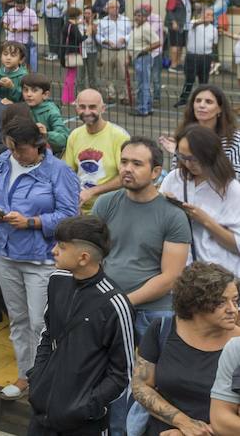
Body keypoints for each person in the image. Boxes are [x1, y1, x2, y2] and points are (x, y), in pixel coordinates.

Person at [0, 106, 82, 400]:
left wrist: (32, 222)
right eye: (10, 148)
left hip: (40, 258)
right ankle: (26, 376)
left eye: (20, 150)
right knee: (19, 320)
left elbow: (68, 214)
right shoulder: (3, 162)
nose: (15, 155)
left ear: (39, 146)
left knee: (41, 322)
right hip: (3, 252)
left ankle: (49, 378)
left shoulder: (58, 172)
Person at [95, 138, 194, 434]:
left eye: (137, 164)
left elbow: (170, 277)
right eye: (124, 162)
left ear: (156, 172)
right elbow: (93, 257)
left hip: (154, 315)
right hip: (109, 308)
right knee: (110, 378)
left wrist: (123, 302)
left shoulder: (173, 215)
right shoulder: (105, 203)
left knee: (149, 385)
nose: (127, 169)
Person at [27, 215, 134, 436]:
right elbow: (47, 335)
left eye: (62, 247)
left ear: (83, 257)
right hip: (42, 416)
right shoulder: (57, 281)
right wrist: (38, 379)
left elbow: (123, 372)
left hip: (83, 425)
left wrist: (87, 406)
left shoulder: (115, 304)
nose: (54, 250)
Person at [129, 263, 236, 436]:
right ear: (195, 304)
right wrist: (183, 423)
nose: (232, 309)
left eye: (236, 300)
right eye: (221, 302)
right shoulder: (161, 329)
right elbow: (141, 385)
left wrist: (197, 432)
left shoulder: (237, 345)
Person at [162, 124, 240, 275]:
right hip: (182, 273)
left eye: (193, 159)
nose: (187, 164)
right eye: (182, 157)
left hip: (220, 277)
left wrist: (205, 221)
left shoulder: (231, 189)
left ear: (210, 155)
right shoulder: (174, 178)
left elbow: (237, 245)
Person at [66, 88, 130, 211]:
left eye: (92, 107)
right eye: (82, 107)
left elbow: (125, 176)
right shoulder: (74, 135)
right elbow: (69, 173)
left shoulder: (119, 136)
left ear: (103, 108)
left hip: (111, 208)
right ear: (76, 108)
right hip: (79, 207)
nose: (87, 111)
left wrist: (92, 192)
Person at [176, 84, 240, 176]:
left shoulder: (234, 138)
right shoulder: (184, 135)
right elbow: (176, 171)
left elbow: (236, 176)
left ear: (220, 109)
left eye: (208, 102)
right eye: (198, 101)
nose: (201, 105)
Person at [179, 7, 220, 107]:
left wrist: (214, 60)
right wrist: (203, 20)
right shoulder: (194, 23)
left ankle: (202, 101)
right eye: (207, 14)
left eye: (211, 15)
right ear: (202, 15)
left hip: (206, 57)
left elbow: (214, 45)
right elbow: (190, 26)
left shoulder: (214, 29)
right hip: (192, 56)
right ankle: (183, 99)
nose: (210, 17)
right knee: (190, 79)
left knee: (204, 81)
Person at [21, 73, 69, 156]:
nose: (28, 94)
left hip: (47, 156)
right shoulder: (22, 107)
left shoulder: (51, 112)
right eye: (25, 90)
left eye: (34, 90)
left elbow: (63, 138)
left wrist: (46, 134)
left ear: (45, 95)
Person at [95, 0, 132, 105]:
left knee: (122, 73)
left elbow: (131, 33)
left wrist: (125, 38)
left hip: (122, 50)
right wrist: (104, 41)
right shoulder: (102, 21)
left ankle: (123, 95)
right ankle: (110, 94)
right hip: (107, 50)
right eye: (112, 7)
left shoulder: (125, 20)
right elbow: (98, 35)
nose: (114, 9)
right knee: (107, 73)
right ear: (107, 9)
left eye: (116, 7)